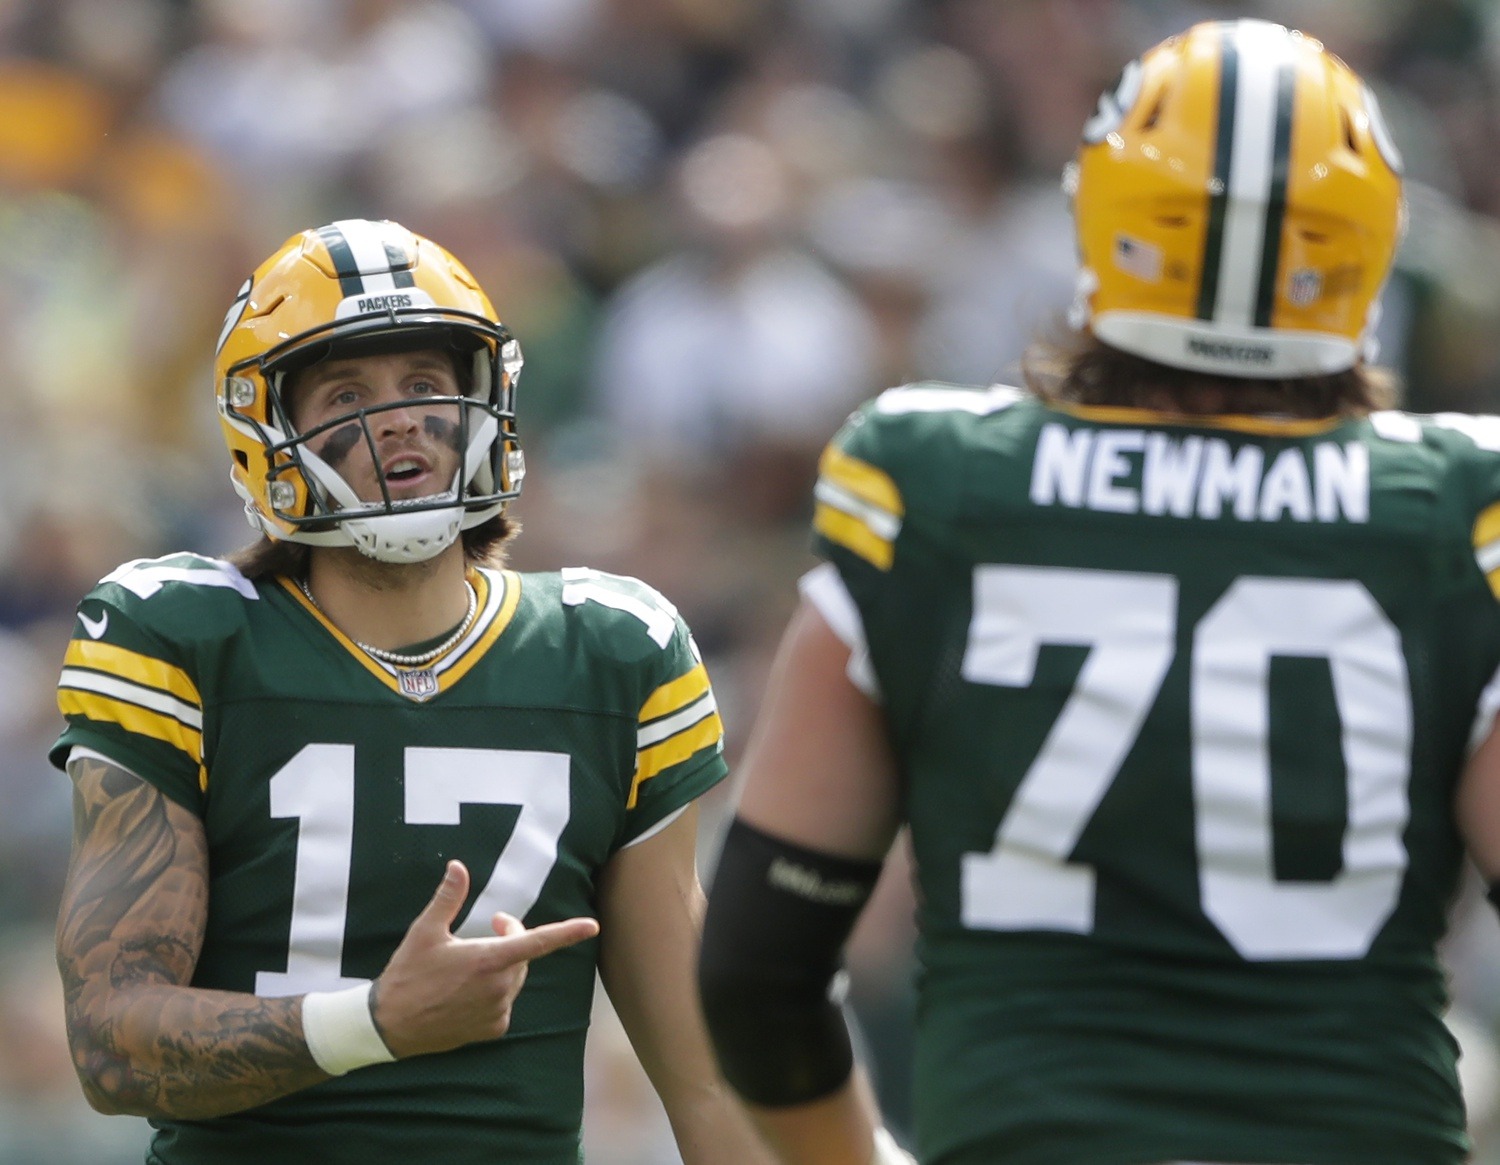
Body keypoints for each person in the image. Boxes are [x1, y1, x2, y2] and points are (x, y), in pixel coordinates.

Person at [699, 18, 1500, 1165]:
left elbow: (756, 968)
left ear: (1107, 215)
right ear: (1366, 248)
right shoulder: (1454, 514)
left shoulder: (936, 485)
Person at [52, 217, 775, 1165]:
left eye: (424, 385)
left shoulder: (612, 651)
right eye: (347, 392)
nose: (396, 419)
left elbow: (710, 1078)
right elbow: (113, 1044)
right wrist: (377, 1022)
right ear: (268, 431)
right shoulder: (186, 637)